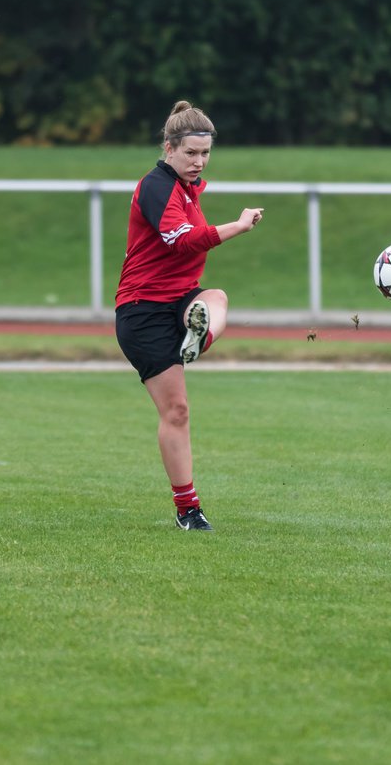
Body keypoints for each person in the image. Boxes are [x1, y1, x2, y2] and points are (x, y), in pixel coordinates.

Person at [114, 100, 265, 531]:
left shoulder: (187, 187)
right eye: (191, 153)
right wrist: (236, 225)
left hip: (179, 299)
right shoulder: (156, 185)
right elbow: (181, 242)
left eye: (205, 153)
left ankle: (197, 339)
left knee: (216, 297)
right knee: (176, 411)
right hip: (143, 312)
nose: (199, 162)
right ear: (168, 147)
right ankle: (188, 509)